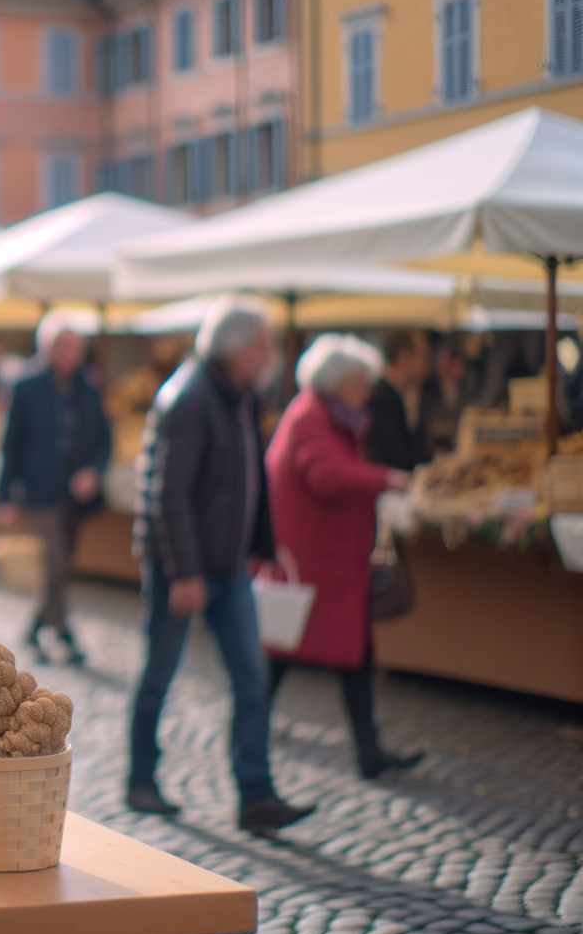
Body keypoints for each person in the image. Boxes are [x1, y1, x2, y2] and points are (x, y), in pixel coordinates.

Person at [127, 296, 315, 835]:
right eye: (265, 344)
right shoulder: (187, 398)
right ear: (242, 348)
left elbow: (247, 476)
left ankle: (256, 796)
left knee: (251, 679)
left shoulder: (239, 396)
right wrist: (184, 572)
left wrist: (264, 542)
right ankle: (141, 779)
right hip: (184, 568)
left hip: (229, 568)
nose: (271, 354)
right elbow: (169, 495)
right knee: (159, 674)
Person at [265, 334, 424, 780]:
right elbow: (329, 476)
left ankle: (369, 751)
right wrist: (385, 478)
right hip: (318, 561)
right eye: (360, 382)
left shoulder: (320, 413)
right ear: (338, 381)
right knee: (288, 653)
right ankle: (252, 732)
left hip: (326, 559)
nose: (366, 391)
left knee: (344, 655)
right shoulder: (313, 417)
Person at [0, 311, 109, 666]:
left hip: (74, 497)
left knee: (57, 567)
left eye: (77, 347)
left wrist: (93, 470)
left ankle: (35, 629)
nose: (72, 355)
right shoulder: (26, 385)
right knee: (56, 565)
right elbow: (10, 442)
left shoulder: (88, 388)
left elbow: (104, 438)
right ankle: (64, 631)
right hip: (39, 490)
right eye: (65, 346)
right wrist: (4, 496)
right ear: (47, 347)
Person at [366, 329, 432, 471]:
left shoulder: (392, 396)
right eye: (423, 357)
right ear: (404, 358)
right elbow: (395, 460)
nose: (427, 367)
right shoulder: (379, 399)